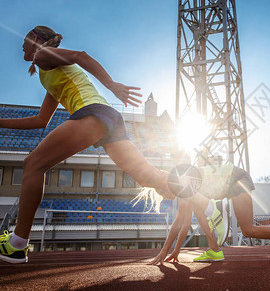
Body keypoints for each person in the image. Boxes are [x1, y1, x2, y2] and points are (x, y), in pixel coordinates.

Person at [0, 25, 170, 264]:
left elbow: (81, 56)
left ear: (34, 38)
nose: (22, 46)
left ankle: (17, 243)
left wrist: (112, 86)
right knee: (147, 177)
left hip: (93, 114)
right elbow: (40, 121)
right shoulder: (46, 74)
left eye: (24, 40)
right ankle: (189, 185)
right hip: (108, 119)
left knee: (33, 164)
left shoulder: (42, 55)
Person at [148, 163, 270, 264]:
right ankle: (214, 249)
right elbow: (184, 223)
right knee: (248, 230)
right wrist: (176, 250)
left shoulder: (179, 184)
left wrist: (164, 251)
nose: (166, 198)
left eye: (163, 194)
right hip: (232, 181)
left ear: (165, 187)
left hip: (235, 178)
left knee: (199, 208)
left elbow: (179, 222)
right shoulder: (183, 189)